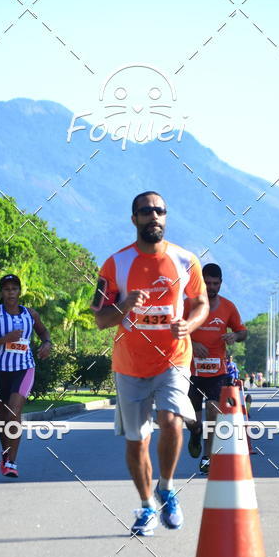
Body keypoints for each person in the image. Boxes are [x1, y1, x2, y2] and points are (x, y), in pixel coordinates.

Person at [91, 191, 209, 535]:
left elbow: (200, 302)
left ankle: (167, 487)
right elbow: (99, 318)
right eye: (146, 211)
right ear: (134, 219)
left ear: (166, 217)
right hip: (129, 365)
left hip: (173, 359)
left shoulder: (186, 260)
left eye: (159, 211)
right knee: (136, 440)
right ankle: (146, 507)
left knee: (172, 421)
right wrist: (124, 305)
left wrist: (191, 324)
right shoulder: (115, 264)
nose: (153, 216)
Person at [0, 274, 52, 478]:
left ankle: (12, 461)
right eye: (6, 289)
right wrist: (5, 339)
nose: (10, 292)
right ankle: (5, 455)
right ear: (1, 293)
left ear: (20, 291)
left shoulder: (30, 314)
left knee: (14, 412)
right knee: (3, 417)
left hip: (24, 368)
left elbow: (43, 332)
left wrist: (47, 344)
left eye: (14, 289)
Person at [186, 264, 247, 473]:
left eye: (215, 283)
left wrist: (235, 336)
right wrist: (192, 344)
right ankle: (194, 432)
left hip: (217, 372)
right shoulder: (188, 305)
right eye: (207, 283)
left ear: (220, 283)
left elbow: (242, 332)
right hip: (191, 371)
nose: (211, 287)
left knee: (213, 411)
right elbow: (173, 331)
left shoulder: (228, 307)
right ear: (201, 282)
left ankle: (207, 458)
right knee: (192, 419)